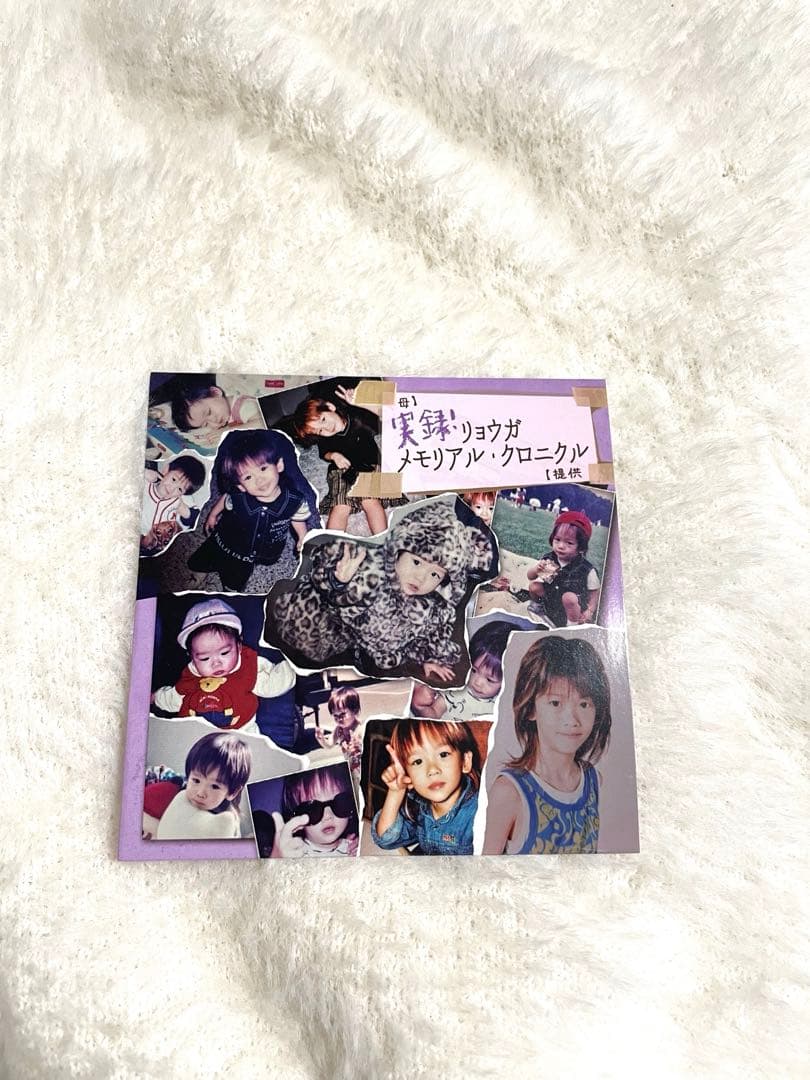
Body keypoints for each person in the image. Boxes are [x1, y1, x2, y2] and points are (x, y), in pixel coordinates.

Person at [266, 494, 498, 686]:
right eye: (416, 562)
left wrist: (425, 660)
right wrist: (339, 581)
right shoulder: (372, 568)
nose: (421, 577)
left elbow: (417, 639)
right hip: (313, 622)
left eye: (435, 575)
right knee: (304, 616)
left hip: (344, 648)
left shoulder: (426, 607)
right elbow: (330, 567)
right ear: (397, 552)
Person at [482, 635, 612, 855]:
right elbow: (485, 870)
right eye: (555, 703)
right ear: (530, 708)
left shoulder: (594, 781)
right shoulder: (509, 792)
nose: (572, 720)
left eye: (584, 704)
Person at [187, 429, 316, 592]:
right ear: (241, 486)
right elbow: (225, 499)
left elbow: (298, 518)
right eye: (248, 477)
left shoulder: (294, 500)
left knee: (236, 577)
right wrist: (213, 515)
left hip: (249, 554)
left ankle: (230, 588)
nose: (259, 480)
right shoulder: (238, 497)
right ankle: (201, 570)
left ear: (279, 465)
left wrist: (302, 536)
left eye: (263, 468)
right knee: (205, 557)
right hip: (224, 540)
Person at [152, 599, 296, 734]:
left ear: (239, 645)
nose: (216, 663)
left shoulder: (248, 667)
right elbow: (174, 698)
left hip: (240, 732)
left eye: (225, 653)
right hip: (195, 733)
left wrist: (295, 664)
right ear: (192, 657)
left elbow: (273, 684)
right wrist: (155, 698)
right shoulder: (190, 675)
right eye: (204, 658)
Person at [289, 385, 403, 534]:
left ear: (330, 407)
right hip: (341, 471)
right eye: (320, 431)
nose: (327, 428)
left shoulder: (357, 416)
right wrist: (333, 455)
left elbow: (388, 415)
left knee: (370, 501)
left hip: (368, 465)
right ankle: (330, 545)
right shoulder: (325, 438)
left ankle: (382, 539)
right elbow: (324, 453)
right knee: (340, 505)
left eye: (323, 419)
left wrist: (360, 402)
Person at [371, 718, 481, 855]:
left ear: (465, 761)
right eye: (418, 761)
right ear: (407, 773)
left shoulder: (480, 815)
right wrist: (396, 792)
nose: (432, 769)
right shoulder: (417, 807)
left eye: (443, 754)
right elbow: (385, 839)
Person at [154, 731, 251, 840]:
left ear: (232, 792)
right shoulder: (181, 793)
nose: (200, 793)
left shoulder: (228, 822)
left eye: (215, 786)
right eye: (196, 780)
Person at [412, 620, 514, 720]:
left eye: (489, 680)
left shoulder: (504, 704)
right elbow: (434, 713)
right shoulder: (458, 690)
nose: (477, 682)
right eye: (473, 670)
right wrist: (420, 707)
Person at [525, 510, 600, 626]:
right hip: (553, 598)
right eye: (557, 540)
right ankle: (539, 607)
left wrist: (590, 610)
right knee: (534, 586)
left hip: (574, 606)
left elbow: (594, 593)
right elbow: (530, 577)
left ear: (581, 547)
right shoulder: (550, 559)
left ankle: (571, 625)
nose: (561, 546)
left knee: (568, 597)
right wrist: (536, 570)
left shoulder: (586, 569)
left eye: (569, 543)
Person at [270, 764, 358, 857]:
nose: (327, 816)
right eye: (313, 809)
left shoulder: (354, 848)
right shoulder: (293, 854)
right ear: (295, 817)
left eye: (339, 802)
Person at [140, 455, 206, 555]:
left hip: (154, 546)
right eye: (174, 480)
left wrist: (184, 510)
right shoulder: (146, 482)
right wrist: (143, 472)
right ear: (165, 470)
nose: (172, 489)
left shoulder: (179, 500)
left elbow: (195, 518)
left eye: (180, 489)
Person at [171, 382, 263, 435]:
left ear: (215, 393)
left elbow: (263, 423)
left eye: (209, 412)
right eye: (206, 424)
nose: (213, 421)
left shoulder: (242, 405)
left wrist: (227, 431)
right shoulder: (226, 417)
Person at [316, 686, 363, 770]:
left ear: (355, 710)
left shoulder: (361, 729)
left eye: (342, 714)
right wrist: (322, 739)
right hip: (352, 769)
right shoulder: (339, 730)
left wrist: (359, 746)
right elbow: (329, 745)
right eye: (335, 715)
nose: (339, 719)